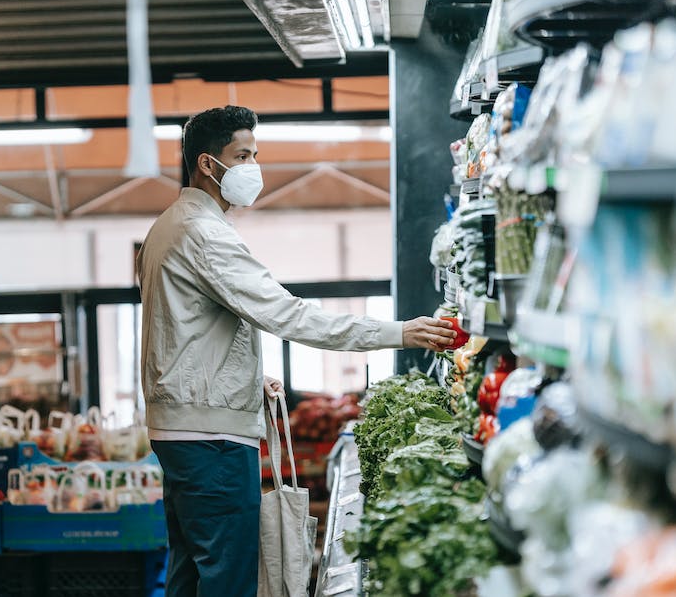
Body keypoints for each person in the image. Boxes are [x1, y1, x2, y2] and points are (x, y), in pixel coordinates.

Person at [137, 105, 458, 597]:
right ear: (207, 164)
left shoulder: (168, 226)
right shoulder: (204, 235)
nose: (252, 167)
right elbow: (289, 315)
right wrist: (399, 333)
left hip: (182, 430)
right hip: (212, 439)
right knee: (229, 576)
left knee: (192, 571)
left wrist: (245, 377)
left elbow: (181, 332)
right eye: (241, 155)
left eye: (254, 154)